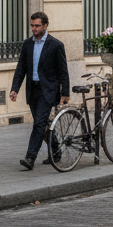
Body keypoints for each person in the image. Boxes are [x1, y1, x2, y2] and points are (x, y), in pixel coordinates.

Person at [10, 11, 70, 170]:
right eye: (32, 26)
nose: (34, 29)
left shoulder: (56, 45)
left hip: (48, 90)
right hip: (33, 90)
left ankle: (30, 157)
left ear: (45, 25)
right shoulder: (27, 44)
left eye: (37, 26)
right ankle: (56, 150)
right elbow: (21, 68)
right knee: (41, 124)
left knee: (39, 123)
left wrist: (65, 93)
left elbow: (63, 71)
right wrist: (14, 88)